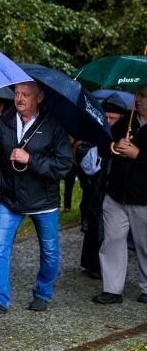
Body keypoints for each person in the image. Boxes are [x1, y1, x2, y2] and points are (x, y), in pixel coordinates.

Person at [0, 81, 73, 314]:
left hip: (43, 202)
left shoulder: (53, 124)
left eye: (26, 95)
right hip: (9, 198)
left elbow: (63, 164)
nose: (19, 99)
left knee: (49, 251)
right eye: (17, 94)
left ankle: (43, 292)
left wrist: (30, 159)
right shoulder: (5, 121)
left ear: (39, 98)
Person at [93, 85, 147, 305]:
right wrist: (116, 146)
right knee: (112, 241)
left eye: (143, 96)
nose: (138, 100)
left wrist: (137, 154)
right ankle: (112, 289)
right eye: (137, 95)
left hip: (143, 198)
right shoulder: (127, 121)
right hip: (116, 195)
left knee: (145, 245)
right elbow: (103, 147)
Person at [76, 100, 126, 279]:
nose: (110, 121)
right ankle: (91, 263)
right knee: (94, 224)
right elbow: (83, 156)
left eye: (114, 118)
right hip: (94, 188)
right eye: (107, 117)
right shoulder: (95, 132)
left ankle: (106, 267)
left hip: (113, 187)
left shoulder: (125, 135)